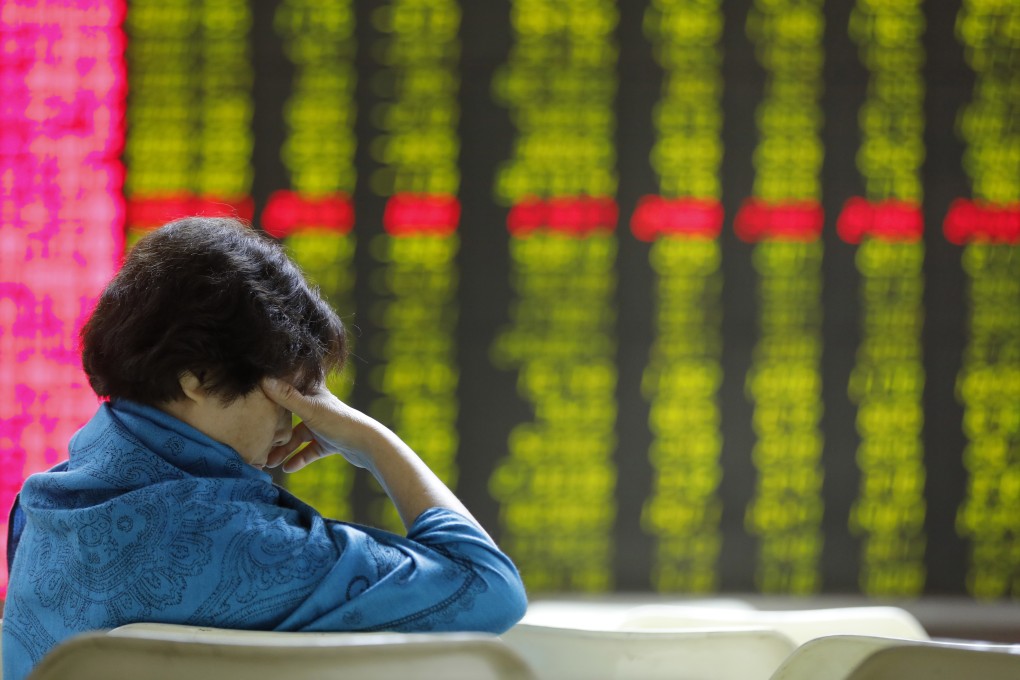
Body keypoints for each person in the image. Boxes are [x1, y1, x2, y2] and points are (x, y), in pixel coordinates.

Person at [2, 217, 527, 680]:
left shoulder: (36, 514)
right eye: (287, 393)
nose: (296, 418)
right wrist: (374, 443)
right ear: (199, 379)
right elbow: (489, 587)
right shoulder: (251, 547)